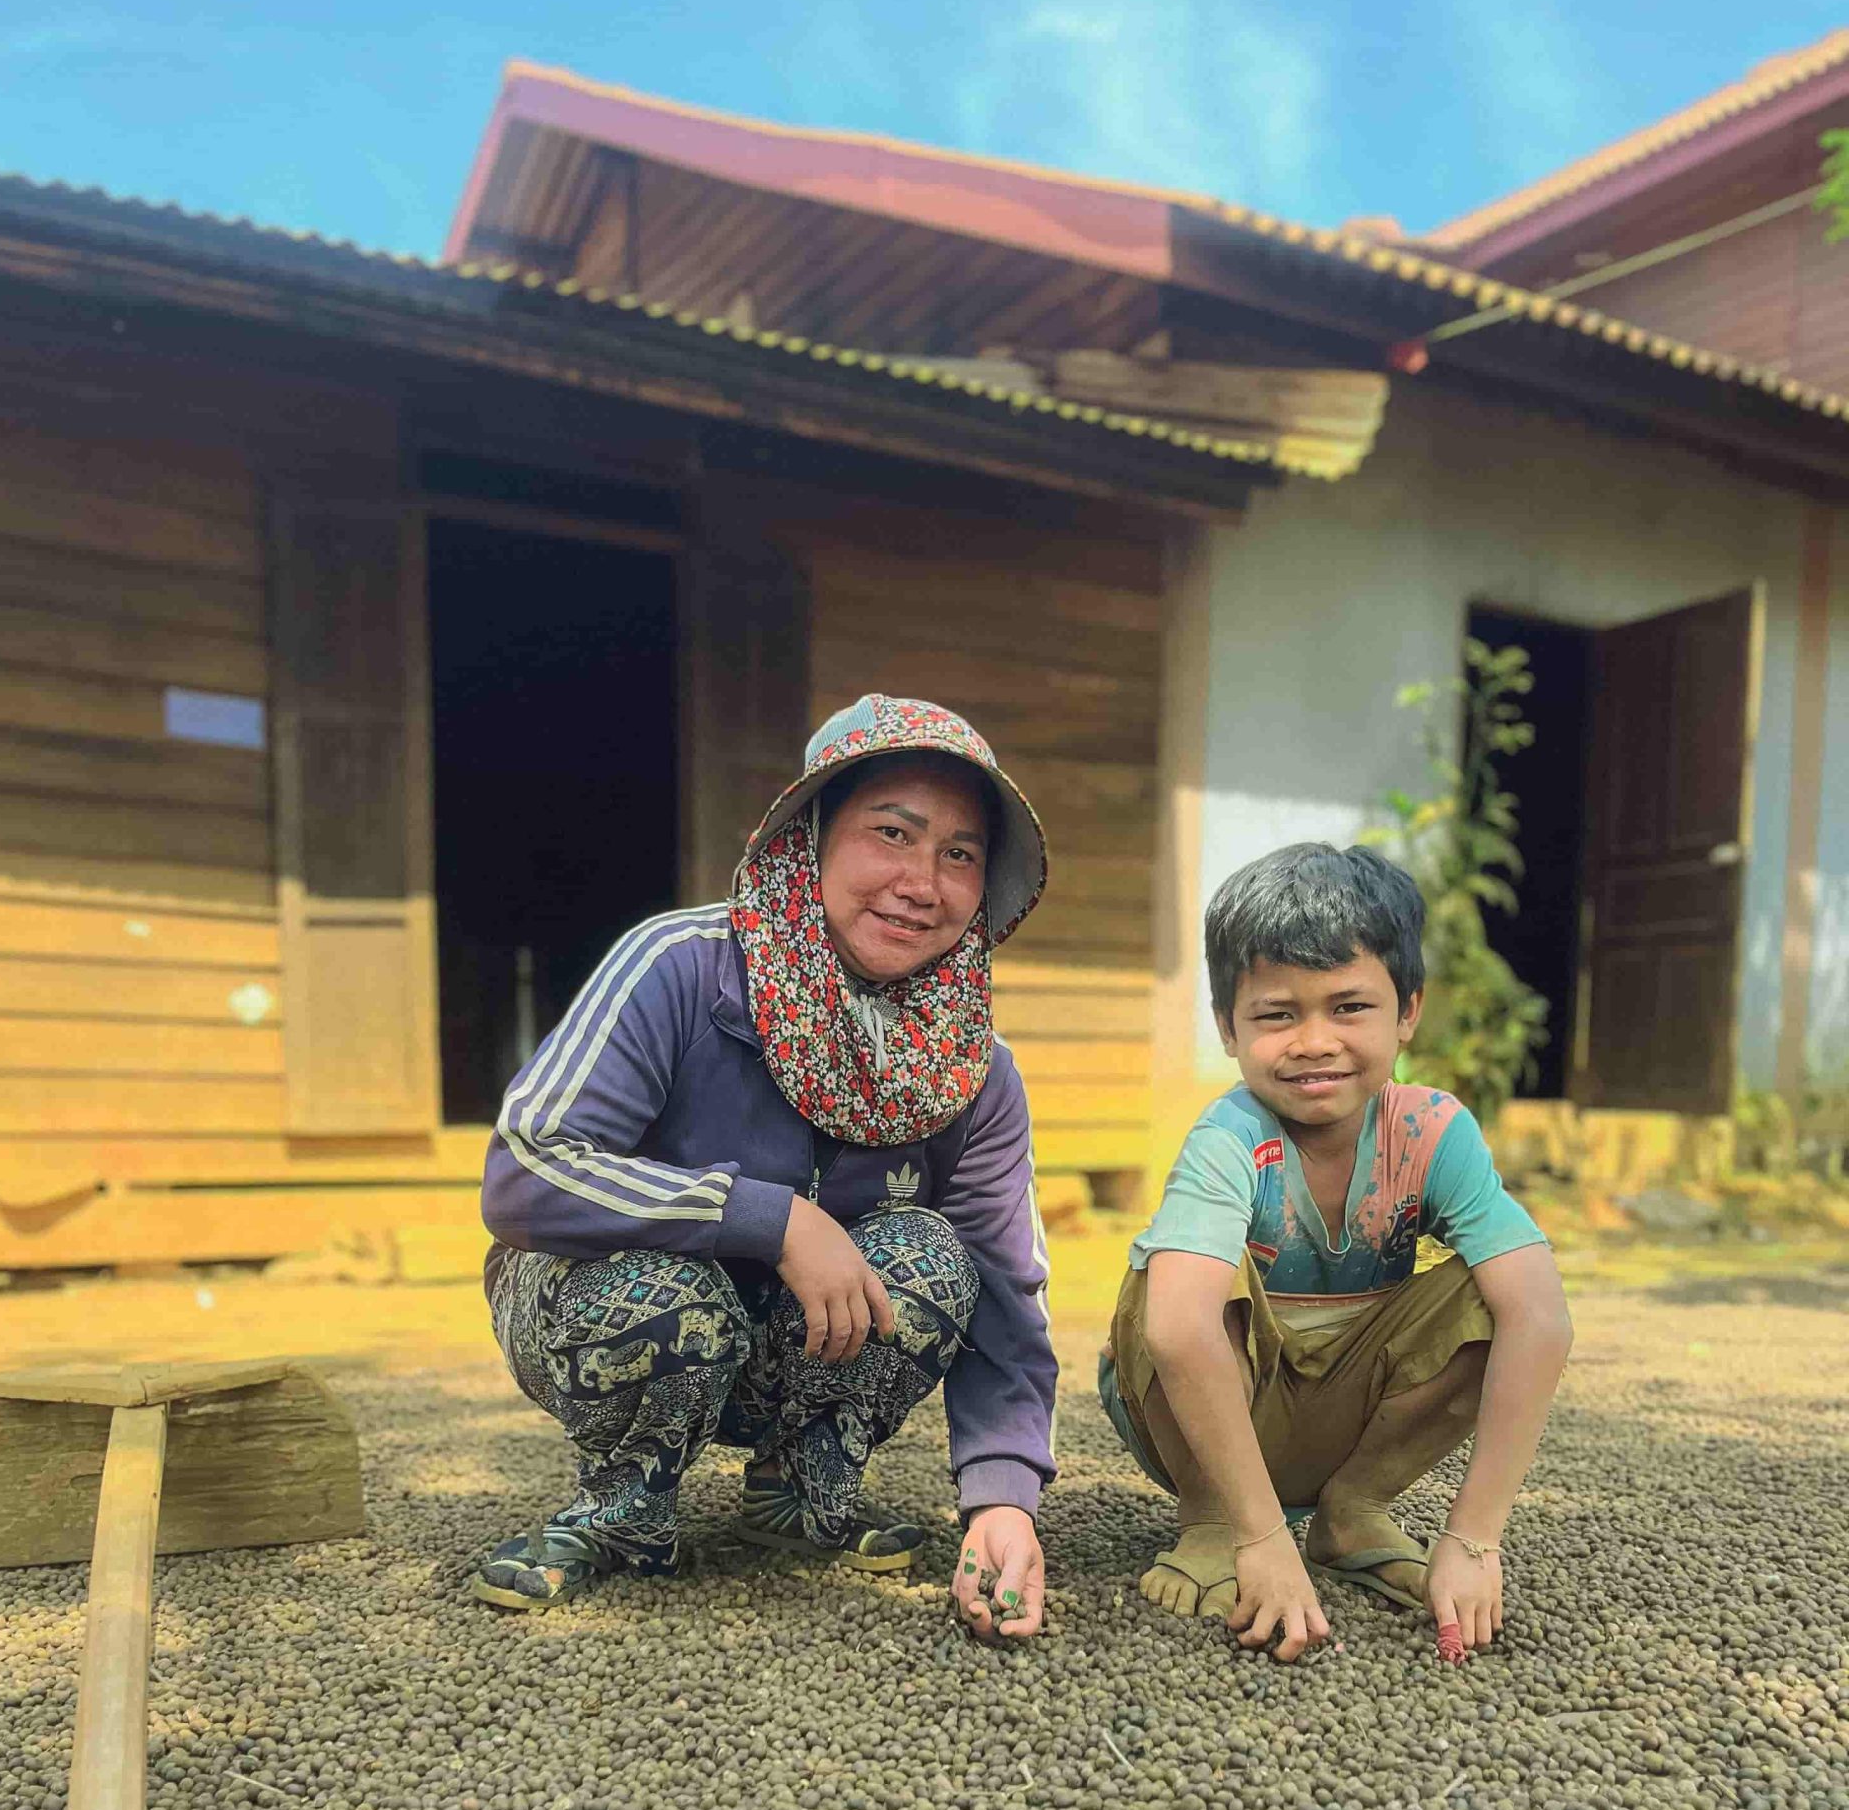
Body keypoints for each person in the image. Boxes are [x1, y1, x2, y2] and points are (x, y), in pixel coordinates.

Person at [472, 693, 1056, 1642]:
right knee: (666, 1291)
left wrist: (1001, 1501)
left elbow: (1003, 1288)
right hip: (611, 1298)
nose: (923, 881)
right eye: (892, 833)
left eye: (960, 854)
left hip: (804, 1336)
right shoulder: (680, 967)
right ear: (811, 839)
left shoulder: (972, 1065)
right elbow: (527, 1172)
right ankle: (625, 1504)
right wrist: (770, 1218)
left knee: (932, 1258)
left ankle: (803, 1480)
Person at [1100, 841, 1572, 1663]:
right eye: (1277, 1014)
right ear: (1227, 1027)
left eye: (1349, 1007)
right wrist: (1257, 1538)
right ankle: (1215, 1513)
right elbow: (1174, 1329)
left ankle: (1352, 1511)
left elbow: (1542, 1318)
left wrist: (1474, 1537)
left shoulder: (1433, 1133)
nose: (1314, 1041)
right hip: (1206, 1421)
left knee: (1492, 1296)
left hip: (1343, 1414)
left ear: (1409, 1010)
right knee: (1165, 1282)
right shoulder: (1230, 1139)